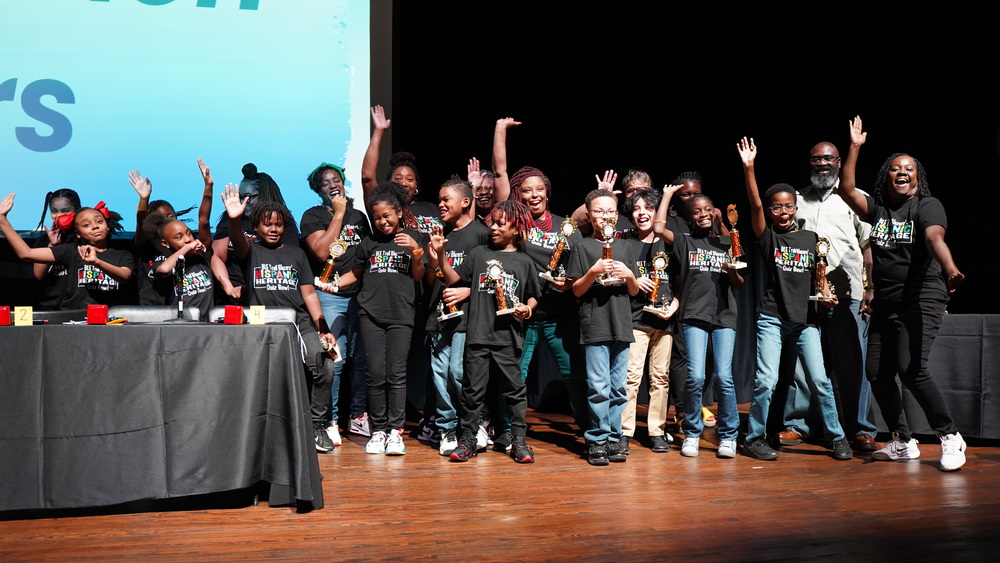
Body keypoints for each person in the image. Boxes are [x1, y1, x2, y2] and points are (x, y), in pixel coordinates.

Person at [837, 116, 967, 471]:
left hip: (922, 295)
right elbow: (847, 189)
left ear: (917, 176)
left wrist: (950, 267)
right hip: (886, 300)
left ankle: (949, 435)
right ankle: (901, 441)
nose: (902, 172)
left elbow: (933, 238)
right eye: (895, 169)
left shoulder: (926, 206)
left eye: (908, 169)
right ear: (887, 176)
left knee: (911, 368)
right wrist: (855, 146)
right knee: (877, 371)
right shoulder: (879, 211)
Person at [736, 137, 852, 461]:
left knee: (819, 379)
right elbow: (755, 206)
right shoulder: (768, 237)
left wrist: (826, 295)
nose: (783, 211)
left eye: (788, 206)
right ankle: (755, 437)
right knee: (765, 380)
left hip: (806, 322)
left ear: (796, 208)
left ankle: (837, 436)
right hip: (772, 318)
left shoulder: (811, 238)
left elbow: (820, 278)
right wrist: (749, 168)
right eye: (777, 207)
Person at [776, 141, 878, 453]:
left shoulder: (855, 198)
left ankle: (860, 428)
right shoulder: (797, 199)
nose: (822, 163)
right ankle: (798, 425)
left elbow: (868, 246)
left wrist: (871, 287)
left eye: (828, 158)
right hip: (805, 295)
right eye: (816, 159)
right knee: (802, 366)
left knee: (853, 365)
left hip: (847, 293)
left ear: (838, 162)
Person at [221, 185, 337, 453]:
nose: (273, 229)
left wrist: (323, 327)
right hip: (261, 321)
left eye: (278, 225)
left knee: (325, 366)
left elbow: (308, 293)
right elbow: (237, 242)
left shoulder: (296, 254)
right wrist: (235, 219)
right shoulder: (251, 251)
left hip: (298, 321)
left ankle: (317, 424)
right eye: (267, 224)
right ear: (257, 227)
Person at [492, 117, 589, 432]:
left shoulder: (567, 227)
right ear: (518, 194)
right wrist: (500, 130)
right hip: (520, 314)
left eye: (539, 189)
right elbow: (500, 173)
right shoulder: (516, 222)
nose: (534, 195)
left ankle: (589, 427)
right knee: (515, 374)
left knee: (574, 373)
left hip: (559, 312)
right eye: (526, 190)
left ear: (548, 191)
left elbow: (578, 273)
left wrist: (570, 282)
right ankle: (507, 430)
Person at [431, 200, 539, 464]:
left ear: (516, 229)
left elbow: (534, 295)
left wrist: (528, 309)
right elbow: (453, 279)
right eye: (492, 222)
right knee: (472, 391)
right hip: (478, 334)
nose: (493, 227)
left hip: (508, 336)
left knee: (514, 391)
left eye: (501, 223)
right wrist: (441, 255)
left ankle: (519, 441)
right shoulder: (479, 254)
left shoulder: (525, 262)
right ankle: (467, 440)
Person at [334, 183, 426, 456]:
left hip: (401, 315)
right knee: (374, 374)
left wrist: (417, 252)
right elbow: (356, 274)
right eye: (377, 217)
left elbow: (419, 276)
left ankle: (395, 431)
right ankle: (379, 430)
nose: (382, 221)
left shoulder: (411, 238)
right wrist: (333, 284)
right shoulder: (368, 243)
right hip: (370, 315)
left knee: (395, 374)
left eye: (387, 215)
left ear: (398, 212)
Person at [653, 185, 743, 458]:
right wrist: (667, 196)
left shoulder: (728, 243)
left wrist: (731, 268)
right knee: (695, 376)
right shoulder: (684, 241)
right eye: (696, 211)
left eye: (707, 210)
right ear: (689, 217)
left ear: (714, 213)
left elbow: (739, 283)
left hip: (724, 316)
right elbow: (658, 230)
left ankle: (728, 436)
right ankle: (692, 433)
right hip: (693, 315)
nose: (702, 214)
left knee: (725, 378)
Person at [300, 163, 373, 446]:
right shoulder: (313, 215)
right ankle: (328, 421)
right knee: (336, 360)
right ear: (318, 190)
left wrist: (347, 214)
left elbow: (367, 255)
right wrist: (338, 215)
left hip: (361, 294)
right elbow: (320, 250)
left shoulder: (359, 216)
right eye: (326, 182)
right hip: (330, 296)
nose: (333, 184)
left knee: (361, 360)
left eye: (337, 179)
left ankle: (357, 415)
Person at [568, 189, 641, 466]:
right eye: (599, 211)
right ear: (589, 215)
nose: (605, 216)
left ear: (617, 215)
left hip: (621, 326)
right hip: (595, 325)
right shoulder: (583, 246)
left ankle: (614, 438)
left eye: (610, 211)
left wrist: (630, 274)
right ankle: (596, 440)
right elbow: (576, 289)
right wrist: (593, 271)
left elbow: (634, 291)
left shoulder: (626, 247)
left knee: (618, 388)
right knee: (599, 387)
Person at [423, 177, 490, 455]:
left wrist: (467, 292)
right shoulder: (442, 234)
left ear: (465, 202)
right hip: (438, 315)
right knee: (440, 375)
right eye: (439, 199)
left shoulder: (482, 234)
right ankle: (448, 427)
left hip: (467, 316)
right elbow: (431, 281)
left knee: (460, 373)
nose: (440, 204)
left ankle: (474, 424)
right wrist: (435, 260)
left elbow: (492, 278)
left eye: (445, 199)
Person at [621, 188, 678, 454]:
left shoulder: (668, 241)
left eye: (648, 208)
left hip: (664, 321)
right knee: (631, 378)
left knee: (660, 378)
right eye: (637, 209)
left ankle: (657, 430)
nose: (642, 214)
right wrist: (633, 278)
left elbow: (682, 281)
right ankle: (625, 431)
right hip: (635, 319)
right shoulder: (625, 243)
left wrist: (675, 306)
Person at [1, 194, 133, 309]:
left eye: (99, 221)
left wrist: (97, 262)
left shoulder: (122, 255)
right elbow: (26, 254)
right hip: (73, 319)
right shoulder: (72, 251)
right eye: (86, 225)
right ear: (78, 234)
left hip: (108, 320)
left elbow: (124, 276)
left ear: (107, 226)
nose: (95, 226)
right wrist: (2, 220)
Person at [211, 163, 299, 305]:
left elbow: (287, 264)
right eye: (240, 196)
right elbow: (217, 256)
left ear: (264, 194)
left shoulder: (284, 224)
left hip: (269, 295)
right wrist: (228, 287)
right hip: (233, 295)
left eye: (248, 196)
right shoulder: (230, 219)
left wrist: (250, 289)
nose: (243, 201)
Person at [133, 158, 215, 307]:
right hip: (152, 308)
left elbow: (204, 221)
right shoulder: (148, 244)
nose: (166, 221)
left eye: (170, 217)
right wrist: (144, 199)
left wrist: (208, 186)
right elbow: (141, 224)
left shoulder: (198, 252)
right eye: (160, 219)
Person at [361, 105, 442, 234]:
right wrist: (379, 131)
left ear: (416, 185)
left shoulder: (430, 208)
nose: (404, 183)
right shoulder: (382, 206)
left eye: (409, 179)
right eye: (398, 178)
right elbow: (367, 177)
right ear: (389, 183)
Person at [30, 188, 82, 310]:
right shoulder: (43, 240)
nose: (58, 216)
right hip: (51, 307)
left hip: (79, 309)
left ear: (77, 209)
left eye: (65, 211)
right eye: (54, 211)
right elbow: (39, 275)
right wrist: (51, 245)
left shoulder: (84, 238)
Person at [467, 157, 496, 222]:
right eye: (478, 189)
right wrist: (473, 187)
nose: (483, 192)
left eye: (488, 189)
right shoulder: (469, 219)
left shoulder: (503, 216)